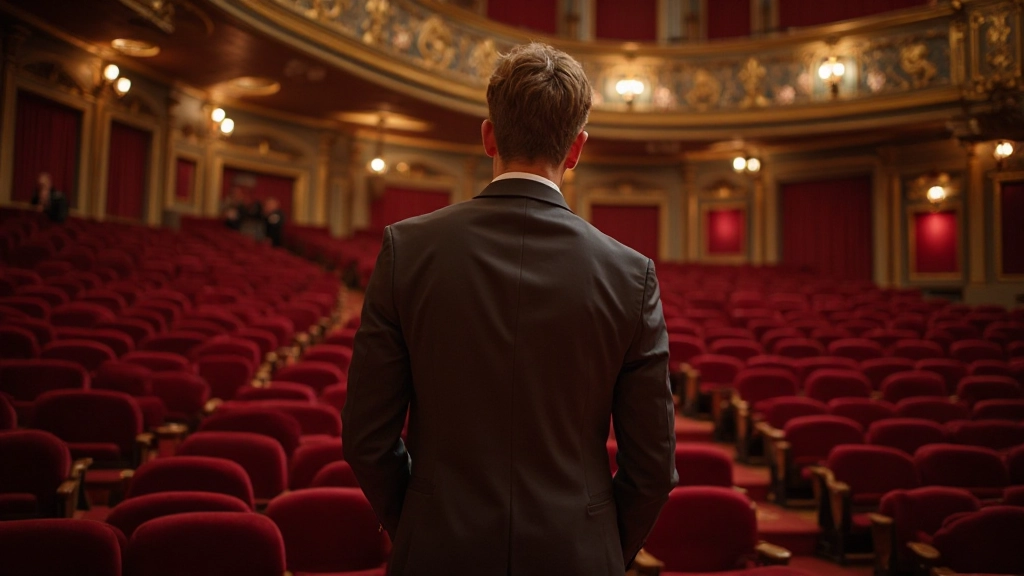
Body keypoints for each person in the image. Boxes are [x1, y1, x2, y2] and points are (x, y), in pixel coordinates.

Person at [342, 43, 677, 576]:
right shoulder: (631, 274)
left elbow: (365, 439)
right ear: (575, 150)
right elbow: (654, 468)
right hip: (578, 555)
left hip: (437, 550)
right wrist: (601, 546)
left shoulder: (408, 249)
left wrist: (418, 524)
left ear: (488, 136)